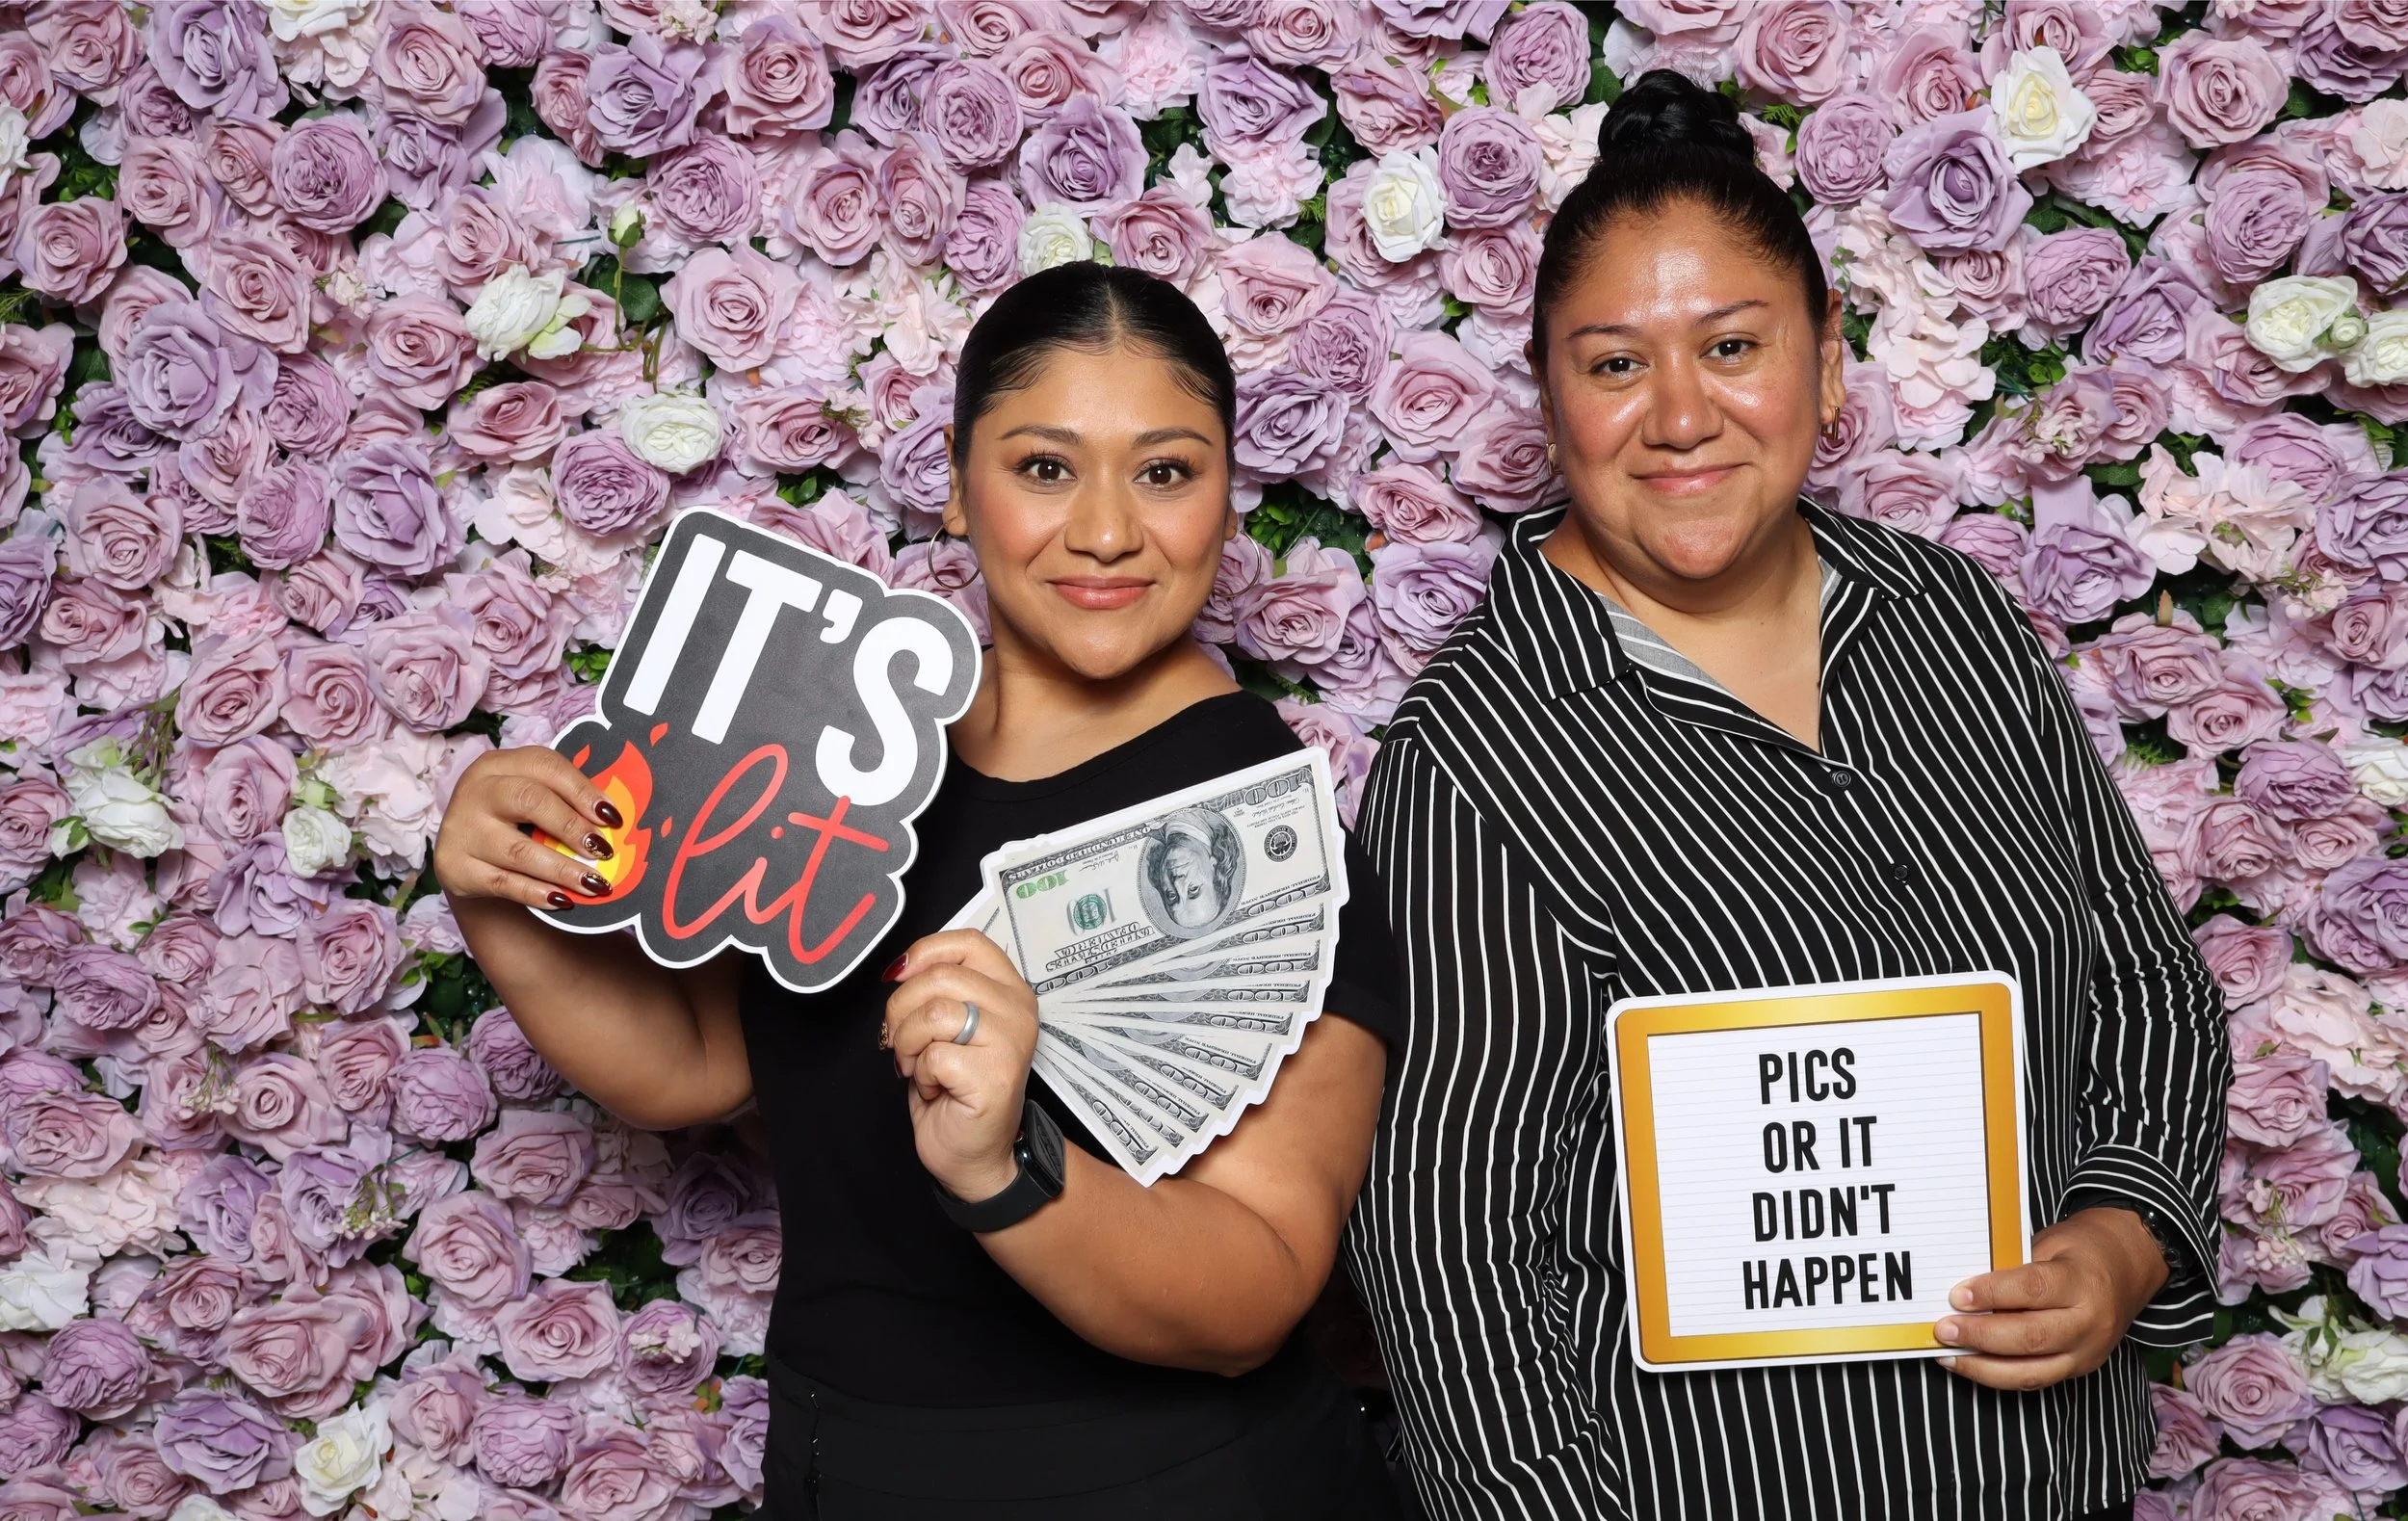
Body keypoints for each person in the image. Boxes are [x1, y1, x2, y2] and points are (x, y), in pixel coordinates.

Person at [1343, 71, 2229, 1521]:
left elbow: (2141, 983)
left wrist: (2125, 1238)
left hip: (2057, 1480)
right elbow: (1459, 1262)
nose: (1679, 413)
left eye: (1734, 346)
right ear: (1551, 394)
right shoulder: (1480, 751)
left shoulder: (1951, 622)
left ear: (1827, 367)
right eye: (1616, 363)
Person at [432, 262, 1405, 1519]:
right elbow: (697, 1060)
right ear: (956, 487)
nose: (1108, 529)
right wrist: (503, 893)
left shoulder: (1260, 827)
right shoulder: (856, 752)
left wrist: (1007, 1165)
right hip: (848, 1462)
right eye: (1045, 467)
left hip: (1162, 1481)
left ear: (1227, 495)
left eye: (1165, 470)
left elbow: (1257, 1289)